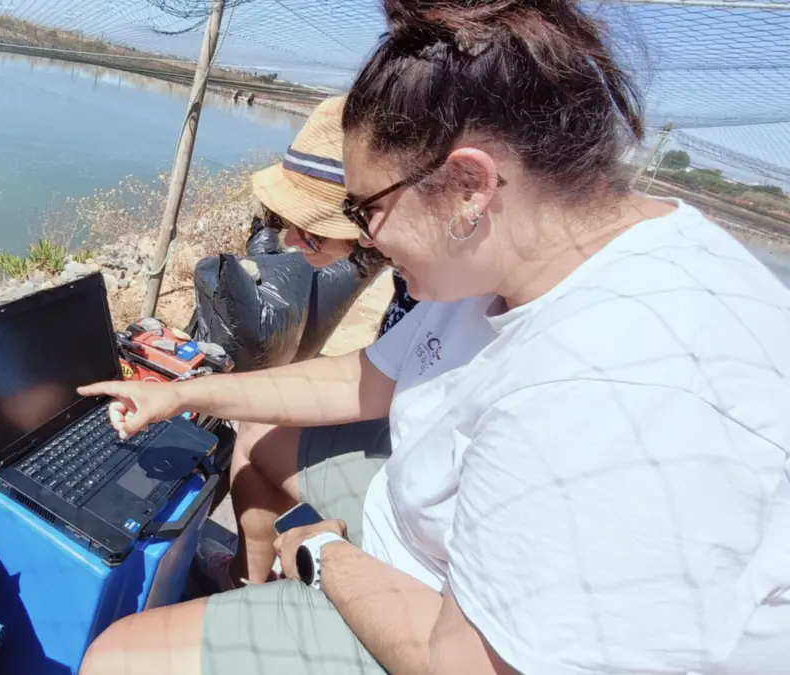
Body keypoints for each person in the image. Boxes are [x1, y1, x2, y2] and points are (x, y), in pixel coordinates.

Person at [79, 0, 790, 673]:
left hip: (448, 627)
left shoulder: (617, 387)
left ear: (468, 186)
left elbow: (466, 659)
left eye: (366, 208)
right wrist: (186, 394)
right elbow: (366, 376)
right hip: (428, 518)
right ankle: (250, 592)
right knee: (260, 432)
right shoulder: (524, 249)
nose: (363, 237)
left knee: (116, 657)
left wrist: (324, 554)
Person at [207, 95, 417, 591]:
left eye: (314, 231)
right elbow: (381, 369)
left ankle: (256, 579)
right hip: (397, 420)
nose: (293, 244)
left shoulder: (439, 284)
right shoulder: (412, 269)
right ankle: (248, 580)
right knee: (258, 422)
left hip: (408, 474)